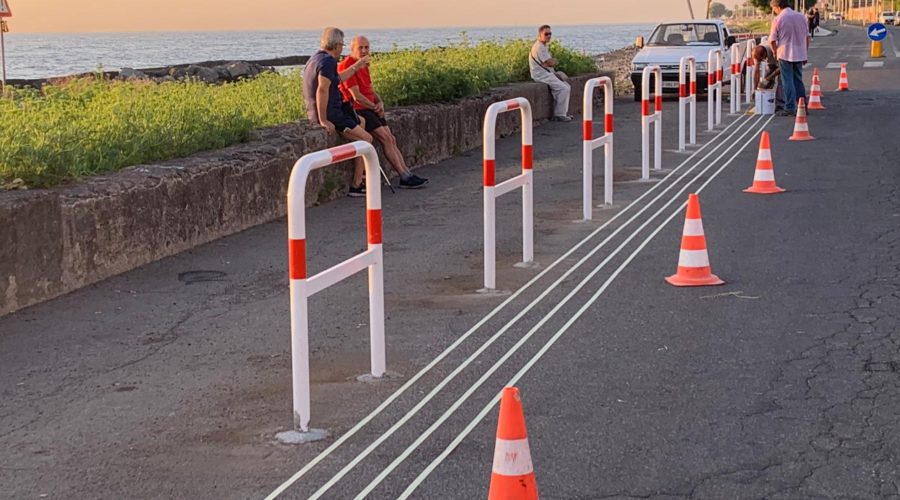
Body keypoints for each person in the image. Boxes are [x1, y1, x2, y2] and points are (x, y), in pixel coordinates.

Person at [338, 36, 428, 189]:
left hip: (371, 107)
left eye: (367, 47)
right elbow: (356, 96)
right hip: (360, 109)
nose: (364, 50)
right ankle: (404, 176)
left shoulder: (364, 65)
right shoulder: (348, 65)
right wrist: (374, 107)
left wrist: (380, 102)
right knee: (385, 138)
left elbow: (370, 90)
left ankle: (407, 173)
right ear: (352, 49)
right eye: (360, 48)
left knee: (391, 138)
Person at [302, 27, 373, 197]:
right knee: (367, 140)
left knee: (361, 121)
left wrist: (357, 66)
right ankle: (357, 184)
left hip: (330, 110)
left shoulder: (316, 59)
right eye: (341, 44)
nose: (342, 49)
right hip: (332, 113)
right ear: (336, 44)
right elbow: (322, 90)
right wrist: (324, 119)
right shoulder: (328, 62)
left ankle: (360, 177)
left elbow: (337, 79)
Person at [769, 0, 810, 116]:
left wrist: (775, 52)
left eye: (774, 9)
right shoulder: (801, 17)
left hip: (784, 53)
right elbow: (807, 37)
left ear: (777, 7)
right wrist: (805, 53)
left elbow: (772, 40)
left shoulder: (778, 19)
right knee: (798, 80)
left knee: (787, 81)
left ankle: (790, 107)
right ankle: (802, 106)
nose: (774, 11)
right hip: (800, 53)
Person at [529, 25, 572, 122]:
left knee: (566, 85)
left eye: (550, 34)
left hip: (546, 73)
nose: (548, 36)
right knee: (563, 88)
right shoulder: (539, 47)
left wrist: (550, 62)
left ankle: (563, 113)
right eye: (546, 34)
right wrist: (552, 61)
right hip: (541, 75)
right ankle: (559, 114)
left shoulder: (542, 46)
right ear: (540, 35)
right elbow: (550, 62)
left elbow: (548, 63)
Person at [751, 45, 785, 111]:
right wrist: (755, 89)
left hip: (783, 61)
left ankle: (780, 105)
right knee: (765, 83)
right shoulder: (757, 52)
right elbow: (756, 70)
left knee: (781, 81)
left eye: (761, 60)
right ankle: (765, 99)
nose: (760, 61)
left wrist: (769, 78)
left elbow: (781, 68)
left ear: (764, 55)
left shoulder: (774, 50)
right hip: (771, 62)